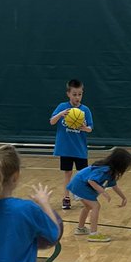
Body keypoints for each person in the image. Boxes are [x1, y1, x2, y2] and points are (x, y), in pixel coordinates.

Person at [68, 147, 131, 242]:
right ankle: (93, 234)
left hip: (78, 184)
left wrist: (123, 198)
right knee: (95, 206)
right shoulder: (105, 169)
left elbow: (114, 186)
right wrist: (103, 192)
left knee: (88, 207)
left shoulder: (111, 172)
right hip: (79, 185)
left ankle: (80, 229)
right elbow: (91, 181)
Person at [50, 78, 93, 210]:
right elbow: (52, 121)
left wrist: (85, 128)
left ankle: (83, 196)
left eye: (80, 94)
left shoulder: (85, 110)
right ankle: (66, 197)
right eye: (74, 94)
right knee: (67, 173)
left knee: (82, 174)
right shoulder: (62, 107)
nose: (77, 97)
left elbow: (90, 128)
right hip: (66, 149)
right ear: (68, 93)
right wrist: (61, 114)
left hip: (80, 149)